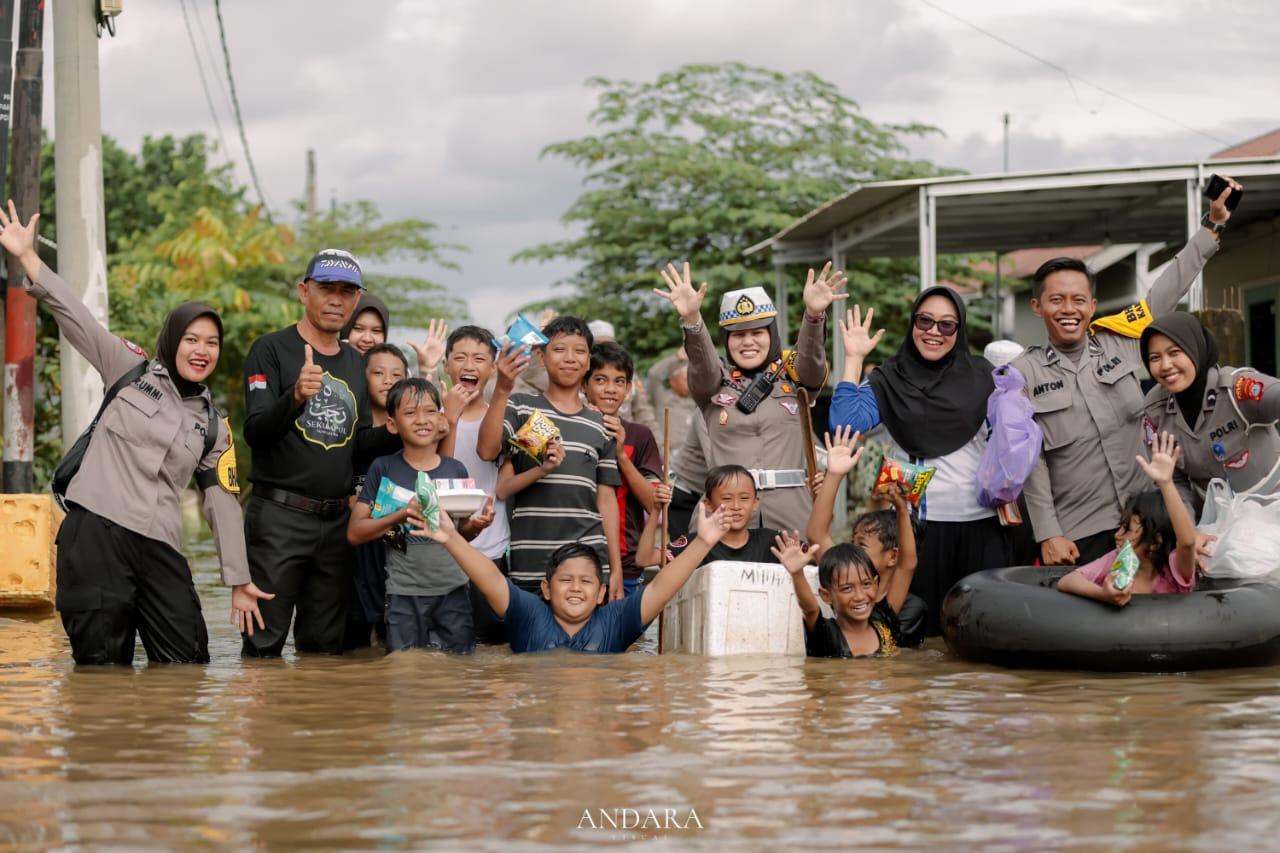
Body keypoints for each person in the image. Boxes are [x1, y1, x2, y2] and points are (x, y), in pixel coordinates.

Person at [0, 201, 270, 664]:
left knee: (188, 664)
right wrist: (28, 258)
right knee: (102, 667)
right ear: (173, 339)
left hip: (160, 547)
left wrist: (238, 580)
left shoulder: (213, 427)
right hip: (95, 534)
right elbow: (77, 317)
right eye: (192, 339)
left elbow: (223, 504)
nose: (202, 350)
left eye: (212, 343)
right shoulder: (130, 369)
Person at [1014, 179, 1240, 566]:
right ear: (1037, 307)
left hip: (1149, 516)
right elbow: (1031, 463)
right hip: (1080, 529)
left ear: (1093, 305)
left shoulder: (1118, 338)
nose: (1069, 309)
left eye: (1078, 300)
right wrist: (1048, 531)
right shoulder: (1022, 373)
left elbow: (1165, 291)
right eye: (1056, 300)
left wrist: (1212, 226)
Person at [241, 248, 398, 657]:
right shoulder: (271, 350)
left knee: (324, 652)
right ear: (303, 291)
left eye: (348, 291)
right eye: (327, 288)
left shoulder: (353, 362)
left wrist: (400, 428)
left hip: (336, 525)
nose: (336, 299)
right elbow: (256, 431)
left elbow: (358, 443)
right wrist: (294, 395)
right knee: (263, 645)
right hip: (279, 519)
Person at [830, 296, 1010, 636]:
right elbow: (845, 423)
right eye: (924, 321)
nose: (934, 332)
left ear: (960, 330)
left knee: (986, 635)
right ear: (913, 324)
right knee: (922, 639)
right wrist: (854, 358)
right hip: (918, 530)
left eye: (946, 325)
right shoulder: (891, 378)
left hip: (985, 526)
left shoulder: (986, 377)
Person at [655, 261, 842, 533]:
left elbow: (812, 366)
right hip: (725, 514)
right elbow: (702, 364)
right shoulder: (714, 385)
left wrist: (813, 316)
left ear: (772, 335)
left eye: (758, 333)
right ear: (726, 341)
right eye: (738, 335)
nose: (748, 342)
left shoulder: (792, 376)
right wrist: (693, 321)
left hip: (791, 514)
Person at [418, 498, 730, 654]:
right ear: (547, 588)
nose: (576, 588)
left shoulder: (616, 622)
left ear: (602, 593)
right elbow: (491, 579)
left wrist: (703, 542)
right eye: (566, 580)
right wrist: (451, 539)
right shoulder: (528, 615)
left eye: (586, 581)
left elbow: (661, 588)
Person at [477, 316, 625, 599]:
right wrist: (503, 389)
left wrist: (615, 569)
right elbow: (486, 450)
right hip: (532, 566)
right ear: (540, 357)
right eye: (559, 349)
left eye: (579, 351)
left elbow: (606, 501)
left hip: (590, 567)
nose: (570, 358)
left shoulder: (601, 424)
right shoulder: (522, 408)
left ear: (588, 360)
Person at [347, 378, 494, 653]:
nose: (421, 420)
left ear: (441, 419)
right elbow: (355, 532)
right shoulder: (384, 468)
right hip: (403, 594)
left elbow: (458, 535)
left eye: (429, 411)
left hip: (453, 591)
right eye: (410, 413)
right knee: (404, 673)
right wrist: (402, 514)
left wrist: (477, 525)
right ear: (392, 424)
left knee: (457, 670)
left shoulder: (455, 469)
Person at [805, 426, 925, 645]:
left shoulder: (887, 612)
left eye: (861, 545)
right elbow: (817, 534)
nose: (859, 596)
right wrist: (834, 474)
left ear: (892, 556)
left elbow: (908, 563)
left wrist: (901, 509)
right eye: (853, 542)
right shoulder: (843, 570)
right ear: (829, 595)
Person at [1140, 312, 1280, 500]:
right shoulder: (1155, 409)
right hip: (1213, 520)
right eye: (1155, 357)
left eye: (1174, 352)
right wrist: (1190, 529)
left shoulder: (1236, 388)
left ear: (1195, 348)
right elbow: (1175, 482)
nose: (1165, 365)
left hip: (1271, 510)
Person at [1056, 432, 1197, 605]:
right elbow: (1067, 581)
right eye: (1120, 527)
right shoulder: (1120, 562)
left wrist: (1166, 483)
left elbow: (1188, 541)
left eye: (1127, 529)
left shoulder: (1174, 569)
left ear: (1155, 541)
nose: (1117, 535)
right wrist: (1103, 594)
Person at [436, 325, 511, 644]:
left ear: (493, 367)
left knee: (492, 650)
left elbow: (489, 451)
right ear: (446, 364)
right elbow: (439, 478)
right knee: (444, 649)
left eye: (480, 358)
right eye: (461, 357)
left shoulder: (503, 415)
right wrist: (449, 418)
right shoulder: (430, 415)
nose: (469, 366)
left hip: (491, 548)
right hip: (441, 548)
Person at [583, 342, 663, 596]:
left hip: (627, 565)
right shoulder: (570, 428)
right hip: (575, 561)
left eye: (619, 382)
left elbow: (653, 504)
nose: (610, 389)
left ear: (628, 389)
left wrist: (621, 457)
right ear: (584, 385)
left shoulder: (640, 436)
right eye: (600, 380)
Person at [344, 341, 410, 649]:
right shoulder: (350, 427)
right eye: (379, 373)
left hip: (398, 538)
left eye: (397, 375)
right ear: (362, 377)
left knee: (393, 627)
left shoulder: (412, 432)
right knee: (357, 624)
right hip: (357, 537)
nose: (388, 380)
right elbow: (361, 446)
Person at [638, 464, 785, 566]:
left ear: (755, 503)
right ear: (708, 504)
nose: (736, 506)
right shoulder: (696, 543)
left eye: (744, 498)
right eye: (727, 499)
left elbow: (808, 554)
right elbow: (644, 559)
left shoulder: (773, 541)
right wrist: (656, 510)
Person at [776, 539, 899, 658]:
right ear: (826, 596)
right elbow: (810, 609)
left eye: (866, 584)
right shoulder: (827, 635)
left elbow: (907, 566)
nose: (860, 596)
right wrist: (797, 573)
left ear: (876, 584)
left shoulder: (882, 621)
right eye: (847, 589)